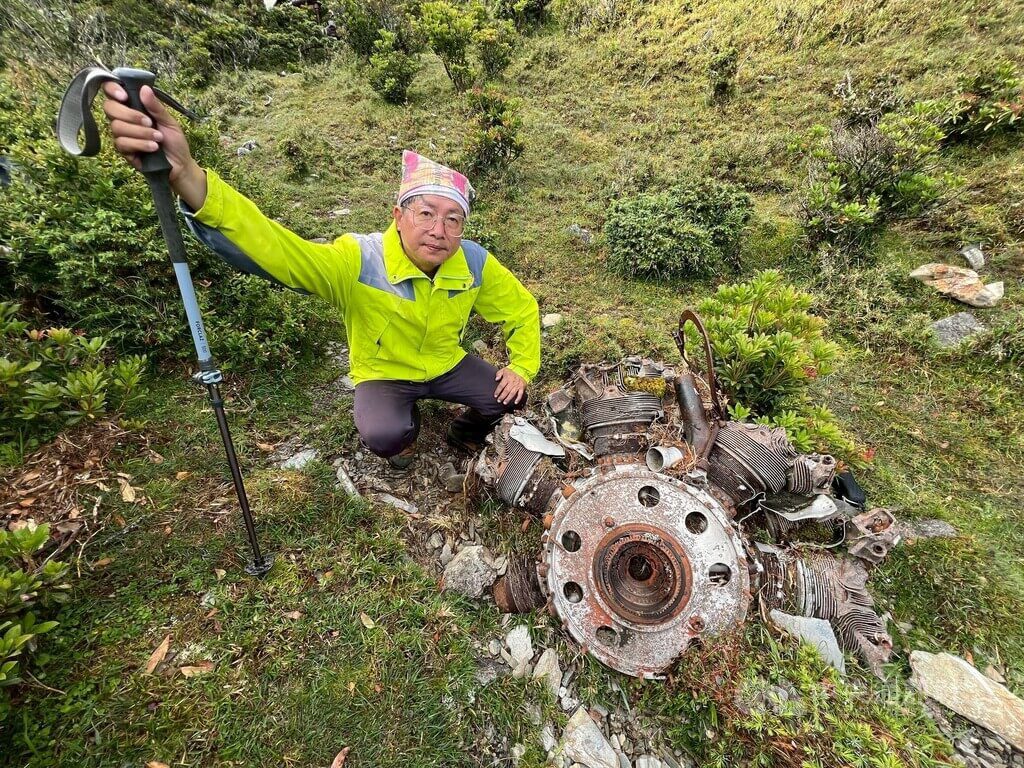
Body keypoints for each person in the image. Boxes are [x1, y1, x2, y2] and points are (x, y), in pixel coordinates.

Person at [100, 82, 541, 469]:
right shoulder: (358, 260)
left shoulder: (473, 262)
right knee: (385, 434)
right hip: (383, 373)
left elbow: (521, 309)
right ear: (398, 216)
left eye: (453, 219)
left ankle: (464, 430)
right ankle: (403, 438)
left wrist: (520, 365)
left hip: (445, 365)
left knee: (511, 397)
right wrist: (189, 177)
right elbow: (280, 251)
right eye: (425, 213)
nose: (438, 230)